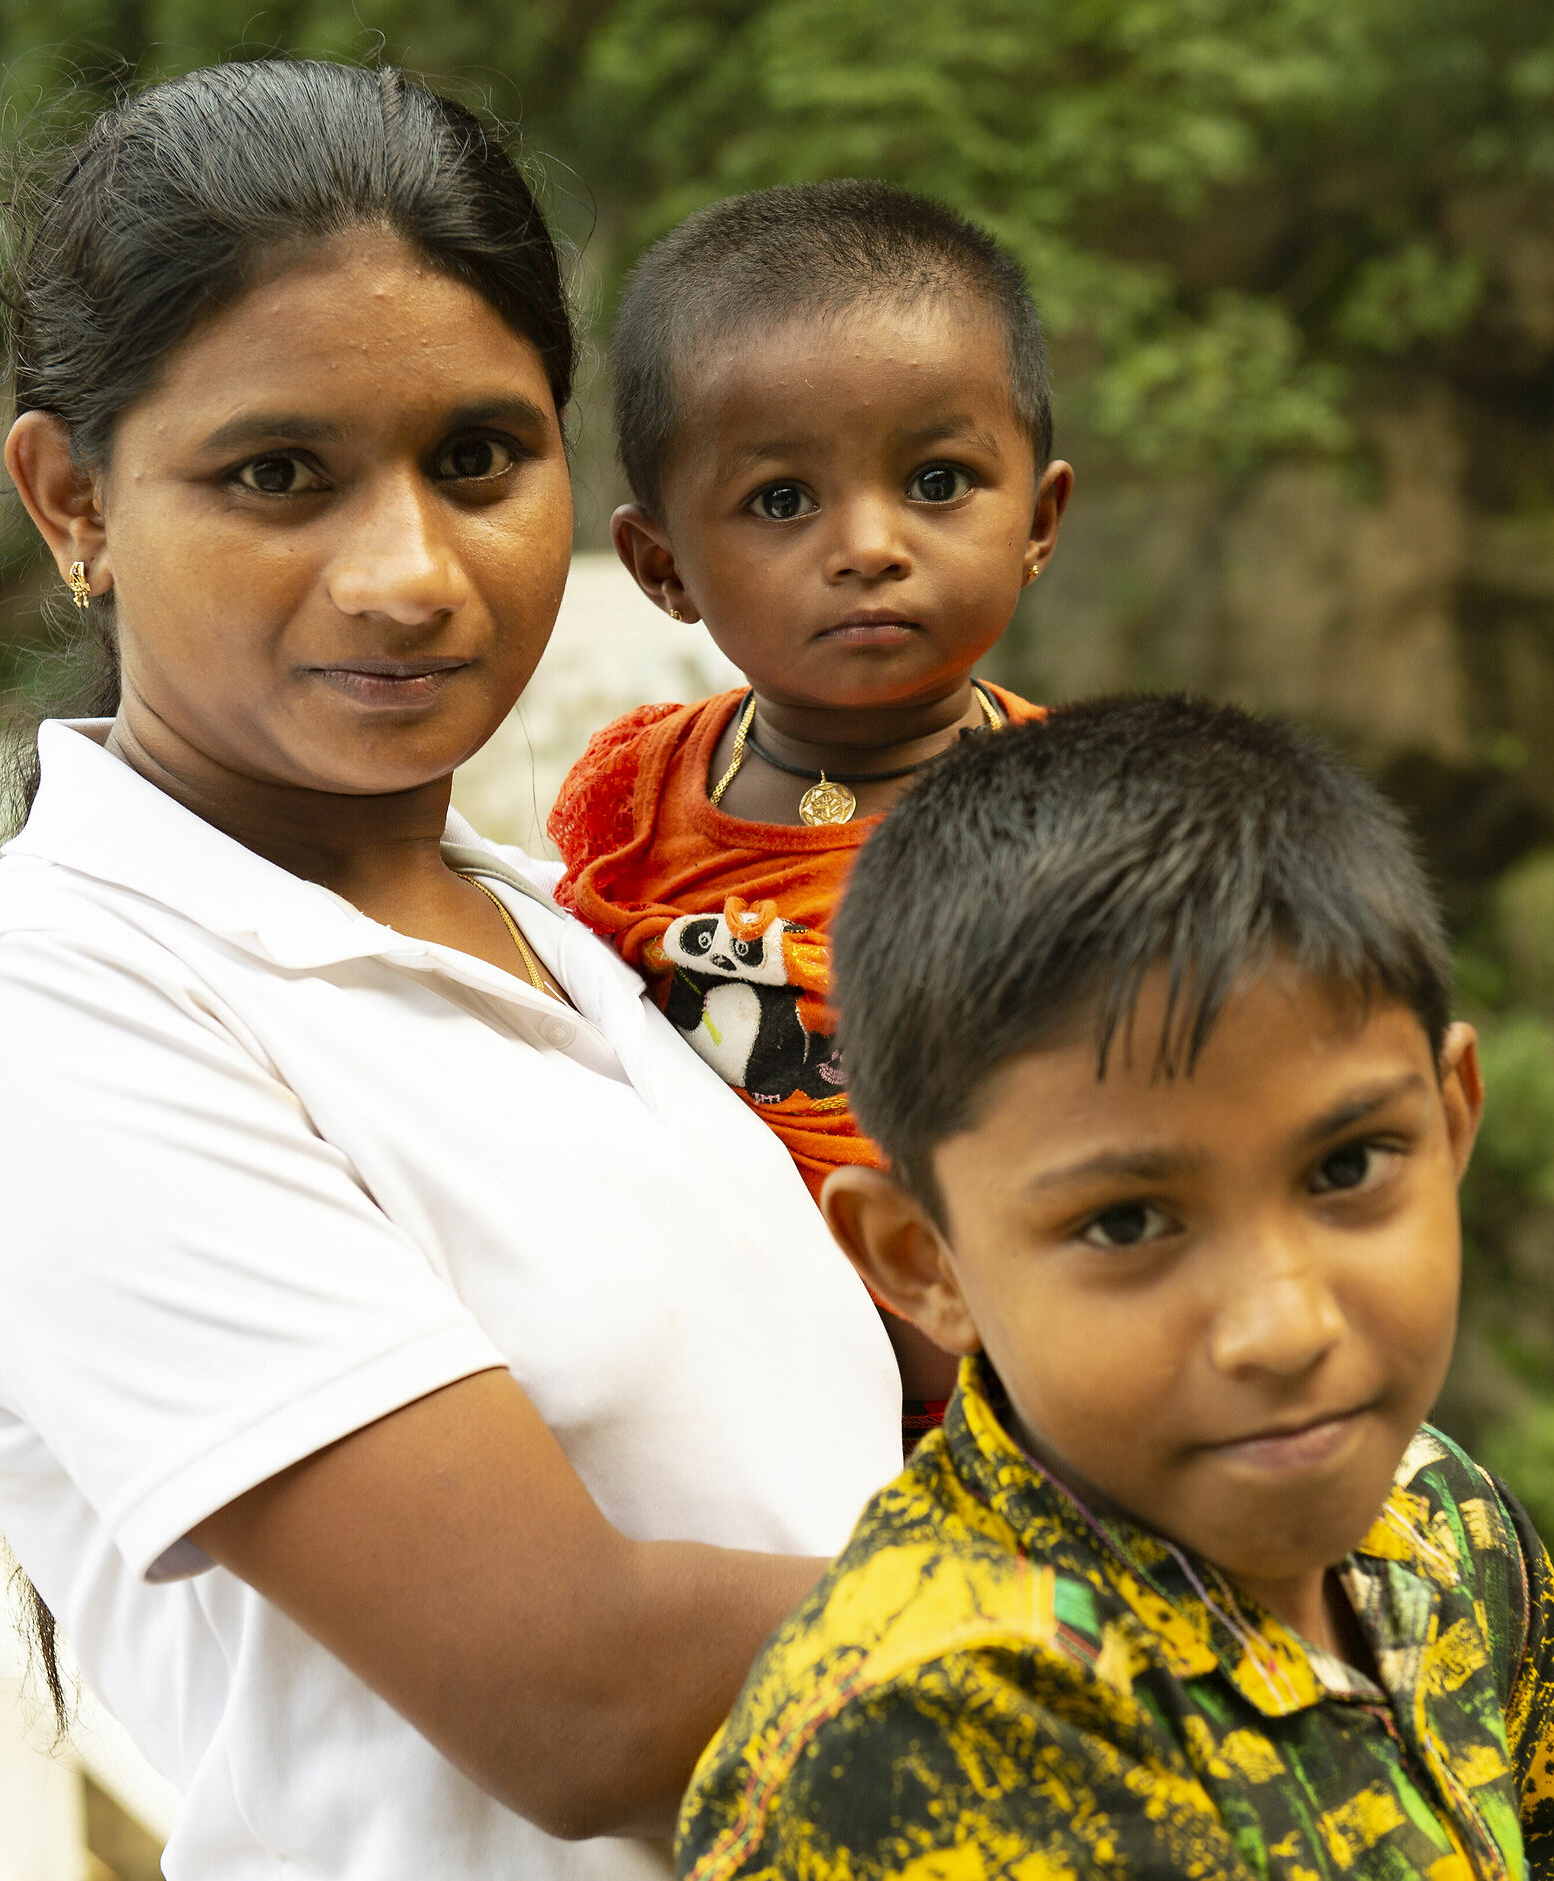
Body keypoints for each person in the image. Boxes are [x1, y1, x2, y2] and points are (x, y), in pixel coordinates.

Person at [0, 61, 901, 1879]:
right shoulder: (43, 1002)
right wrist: (1214, 1606)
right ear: (73, 502)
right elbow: (575, 1698)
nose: (411, 574)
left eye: (478, 458)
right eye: (279, 475)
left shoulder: (586, 932)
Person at [675, 697, 1554, 1881]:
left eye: (1346, 1168)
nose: (1284, 1326)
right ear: (921, 1261)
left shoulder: (1433, 1517)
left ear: (1451, 1120)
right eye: (1127, 1223)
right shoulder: (917, 1749)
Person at [548, 181, 1071, 1450]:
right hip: (705, 1413)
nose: (872, 545)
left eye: (940, 481)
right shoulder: (631, 792)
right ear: (663, 566)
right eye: (783, 501)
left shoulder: (1078, 823)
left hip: (1009, 1428)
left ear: (1039, 523)